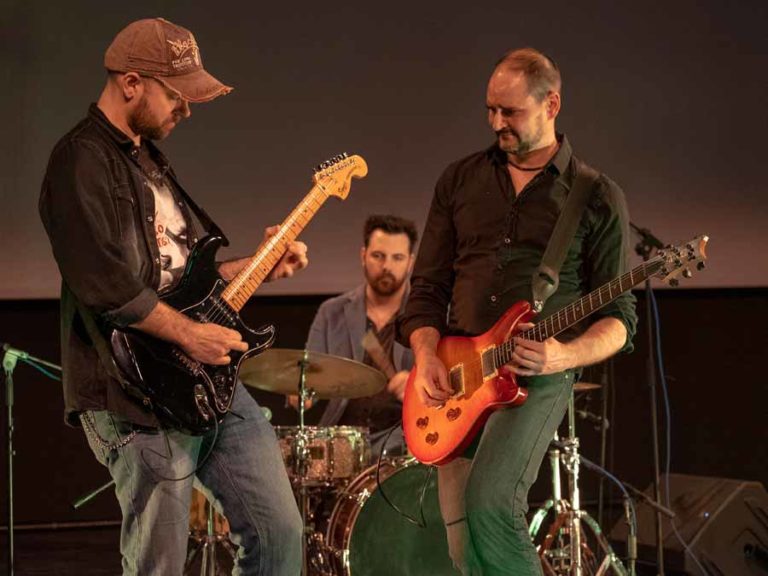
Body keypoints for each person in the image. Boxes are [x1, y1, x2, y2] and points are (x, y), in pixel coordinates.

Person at [39, 18, 305, 575]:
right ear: (131, 83)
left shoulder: (150, 159)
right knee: (160, 564)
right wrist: (190, 335)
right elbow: (104, 281)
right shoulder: (79, 160)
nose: (186, 109)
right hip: (132, 390)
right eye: (176, 95)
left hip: (202, 377)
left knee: (281, 532)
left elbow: (181, 277)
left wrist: (257, 267)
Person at [397, 48, 638, 575]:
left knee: (492, 503)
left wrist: (563, 356)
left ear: (551, 105)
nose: (496, 122)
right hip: (457, 372)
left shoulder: (596, 195)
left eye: (510, 111)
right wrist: (426, 355)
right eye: (490, 109)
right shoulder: (459, 180)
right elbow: (428, 286)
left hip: (534, 374)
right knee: (463, 549)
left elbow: (620, 319)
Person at [303, 214, 418, 456]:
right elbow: (306, 374)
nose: (386, 266)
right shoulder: (331, 311)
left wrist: (418, 385)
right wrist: (300, 390)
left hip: (404, 439)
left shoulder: (425, 314)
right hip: (341, 440)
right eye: (378, 256)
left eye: (397, 258)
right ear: (363, 255)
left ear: (410, 262)